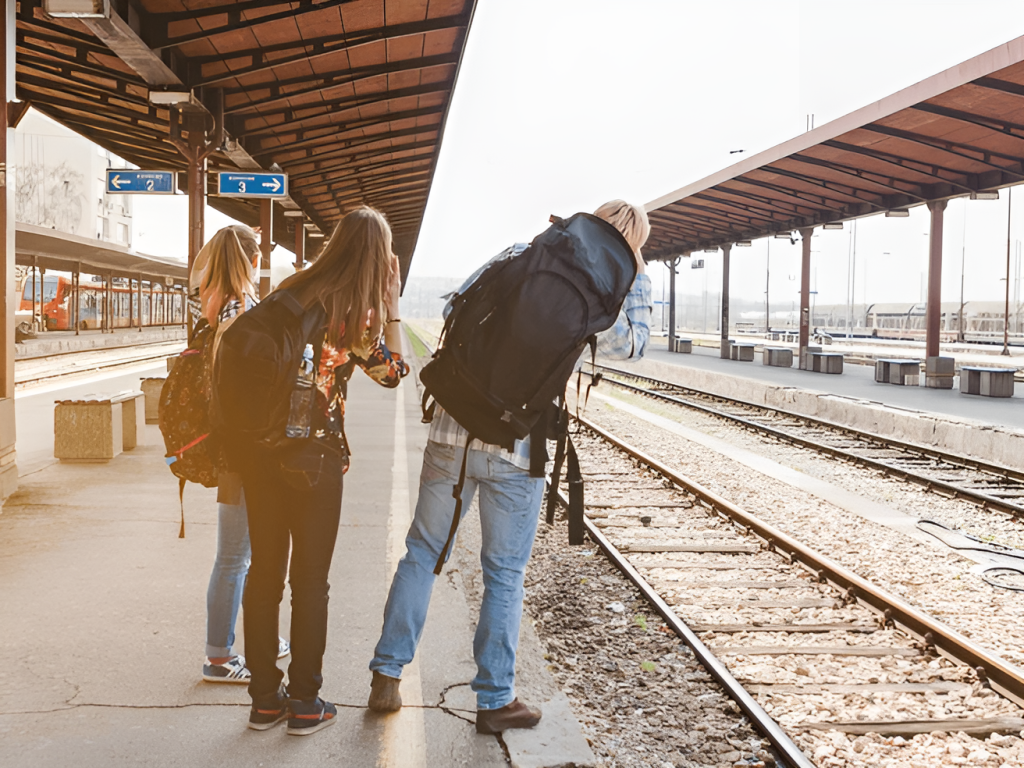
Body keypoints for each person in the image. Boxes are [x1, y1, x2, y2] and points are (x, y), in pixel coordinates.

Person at [368, 200, 652, 732]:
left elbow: (459, 303)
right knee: (504, 574)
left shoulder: (528, 253)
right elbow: (631, 348)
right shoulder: (615, 285)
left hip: (454, 427)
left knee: (424, 552)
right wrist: (637, 283)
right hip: (518, 446)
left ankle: (386, 674)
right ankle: (495, 700)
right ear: (634, 245)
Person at [236, 206, 409, 735]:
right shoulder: (355, 314)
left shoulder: (291, 289)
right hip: (316, 462)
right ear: (378, 261)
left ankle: (265, 699)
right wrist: (393, 305)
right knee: (310, 582)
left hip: (261, 453)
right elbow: (395, 374)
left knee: (263, 575)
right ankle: (306, 704)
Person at [188, 225, 290, 685]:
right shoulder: (245, 311)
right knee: (234, 556)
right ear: (252, 261)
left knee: (238, 553)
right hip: (245, 448)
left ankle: (254, 639)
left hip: (227, 443)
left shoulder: (213, 306)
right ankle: (218, 656)